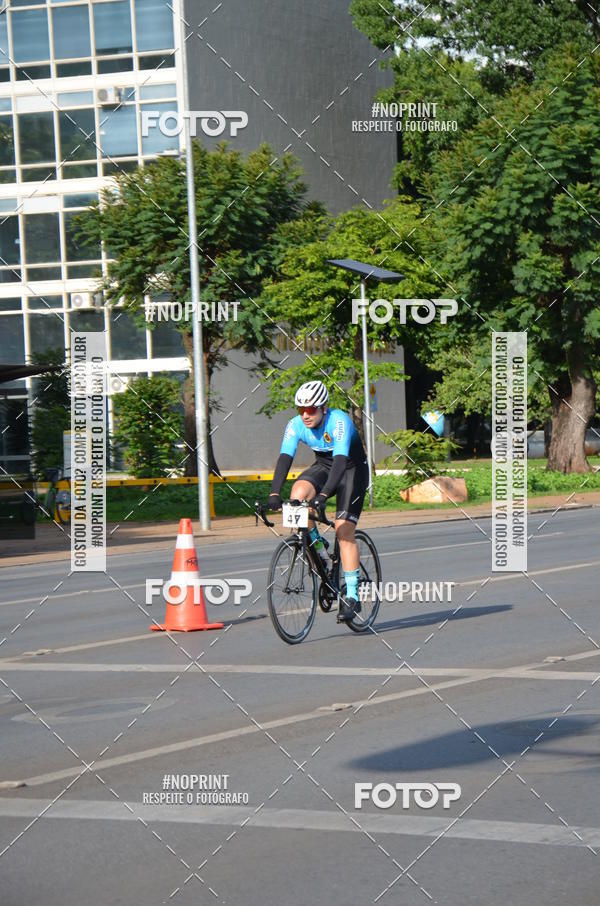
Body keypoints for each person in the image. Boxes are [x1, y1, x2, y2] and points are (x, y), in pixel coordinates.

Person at [268, 380, 369, 621]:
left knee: (343, 528)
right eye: (300, 409)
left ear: (324, 408)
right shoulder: (295, 426)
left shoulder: (340, 421)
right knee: (297, 496)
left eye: (311, 409)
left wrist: (324, 495)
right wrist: (274, 493)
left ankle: (352, 596)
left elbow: (341, 462)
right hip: (324, 466)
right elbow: (284, 458)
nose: (305, 415)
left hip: (351, 469)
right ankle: (320, 551)